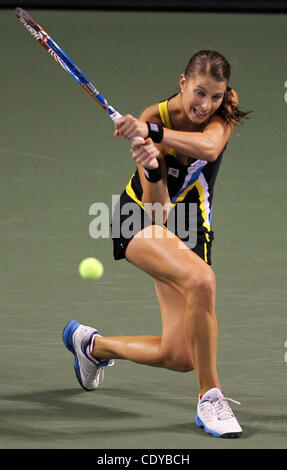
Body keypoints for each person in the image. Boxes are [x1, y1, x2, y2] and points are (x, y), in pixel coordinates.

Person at [63, 50, 249, 438]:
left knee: (180, 355)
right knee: (203, 281)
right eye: (199, 93)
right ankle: (210, 397)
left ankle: (92, 347)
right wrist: (151, 164)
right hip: (141, 219)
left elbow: (211, 148)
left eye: (215, 96)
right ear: (183, 82)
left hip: (194, 226)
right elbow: (158, 211)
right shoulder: (153, 117)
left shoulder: (221, 108)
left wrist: (156, 137)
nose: (206, 105)